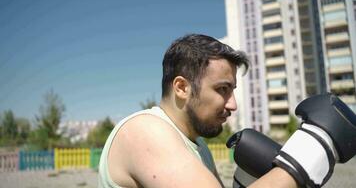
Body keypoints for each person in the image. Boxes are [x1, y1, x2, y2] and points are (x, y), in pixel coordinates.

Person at [98, 34, 298, 188]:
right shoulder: (144, 131)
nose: (233, 105)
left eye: (232, 91)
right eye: (222, 89)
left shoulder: (198, 146)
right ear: (182, 88)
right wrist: (306, 155)